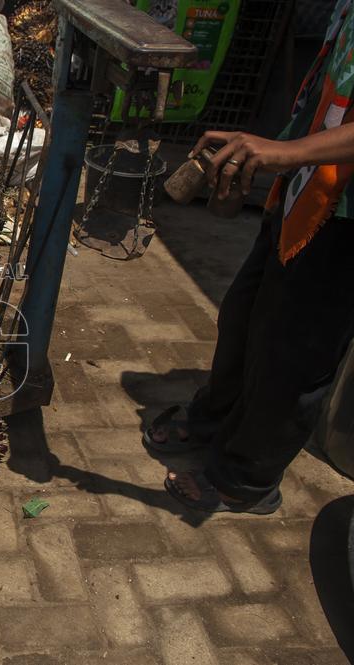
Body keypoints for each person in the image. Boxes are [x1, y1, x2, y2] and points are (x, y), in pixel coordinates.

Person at [145, 0, 354, 514]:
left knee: (295, 352)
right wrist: (264, 149)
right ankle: (215, 416)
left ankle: (246, 478)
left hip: (347, 218)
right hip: (311, 189)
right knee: (245, 314)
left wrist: (282, 154)